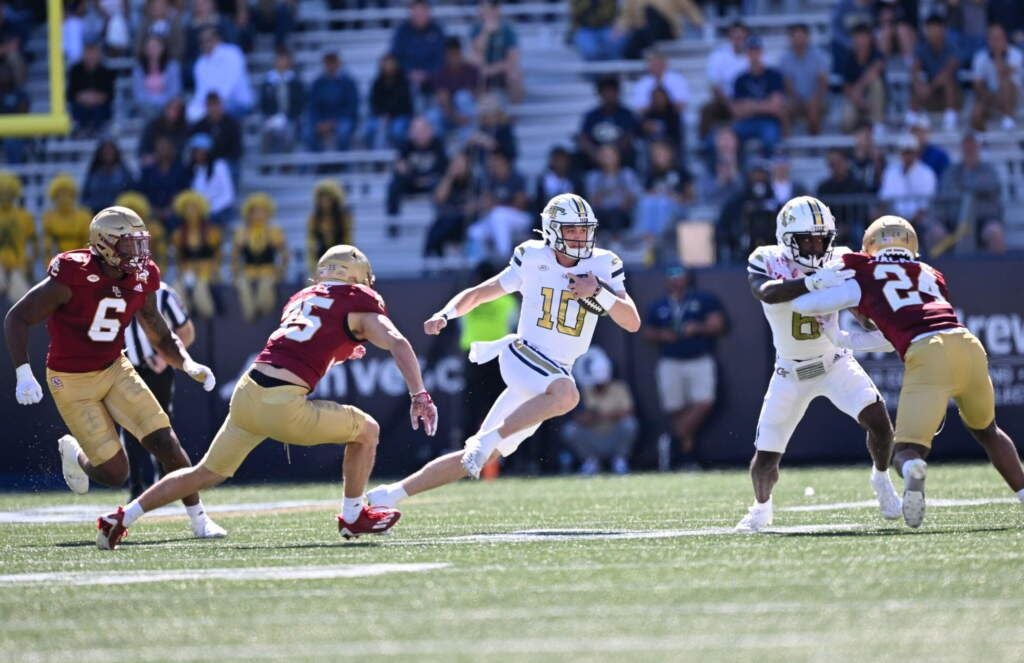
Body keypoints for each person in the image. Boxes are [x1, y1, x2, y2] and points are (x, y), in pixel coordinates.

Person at [95, 245, 437, 548]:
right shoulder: (358, 302)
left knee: (204, 473)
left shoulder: (302, 299)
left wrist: (339, 354)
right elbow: (398, 342)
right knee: (368, 431)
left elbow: (306, 346)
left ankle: (122, 517)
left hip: (248, 393)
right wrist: (418, 393)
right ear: (357, 276)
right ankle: (352, 516)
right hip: (283, 404)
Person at [366, 193, 640, 513]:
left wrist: (598, 292)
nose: (580, 238)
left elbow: (631, 321)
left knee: (477, 458)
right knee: (568, 394)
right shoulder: (532, 256)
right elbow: (483, 292)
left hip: (553, 372)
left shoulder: (604, 264)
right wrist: (447, 313)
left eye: (584, 230)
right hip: (523, 355)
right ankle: (489, 439)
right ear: (551, 230)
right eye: (572, 230)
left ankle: (390, 494)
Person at [4, 206, 224, 542]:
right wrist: (23, 372)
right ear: (105, 244)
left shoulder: (142, 275)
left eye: (141, 243)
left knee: (166, 441)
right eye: (129, 244)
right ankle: (76, 453)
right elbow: (17, 318)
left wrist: (186, 362)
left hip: (114, 366)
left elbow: (158, 331)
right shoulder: (72, 273)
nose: (139, 253)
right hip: (72, 379)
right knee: (115, 473)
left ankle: (199, 520)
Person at [792, 216, 1024, 528]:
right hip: (968, 344)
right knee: (988, 431)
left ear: (871, 244)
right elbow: (895, 333)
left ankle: (914, 468)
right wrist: (842, 337)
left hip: (927, 353)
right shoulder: (930, 272)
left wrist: (813, 291)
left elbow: (810, 304)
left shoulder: (862, 271)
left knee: (905, 449)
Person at [738, 196, 900, 532]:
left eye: (821, 239)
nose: (815, 247)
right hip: (790, 371)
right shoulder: (766, 258)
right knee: (765, 459)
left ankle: (881, 479)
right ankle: (761, 508)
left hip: (834, 361)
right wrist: (812, 283)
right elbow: (765, 292)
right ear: (786, 237)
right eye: (806, 240)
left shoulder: (839, 260)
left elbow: (863, 315)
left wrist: (877, 317)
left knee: (880, 423)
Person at [644, 265, 725, 467]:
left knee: (704, 401)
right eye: (671, 276)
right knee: (676, 408)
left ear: (688, 278)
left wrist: (698, 328)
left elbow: (718, 324)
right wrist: (663, 335)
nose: (676, 280)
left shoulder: (703, 299)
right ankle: (686, 456)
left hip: (699, 358)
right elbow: (646, 332)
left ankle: (671, 439)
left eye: (679, 276)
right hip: (671, 360)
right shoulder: (659, 304)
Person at [120, 280, 194, 500]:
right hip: (124, 368)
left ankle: (165, 480)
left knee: (160, 424)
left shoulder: (162, 293)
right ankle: (135, 486)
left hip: (157, 369)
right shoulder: (111, 290)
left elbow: (187, 331)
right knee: (129, 425)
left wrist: (164, 357)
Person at [458, 260, 518, 451]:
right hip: (499, 357)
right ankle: (504, 459)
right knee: (502, 408)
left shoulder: (468, 300)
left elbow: (460, 326)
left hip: (473, 356)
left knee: (471, 408)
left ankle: (464, 458)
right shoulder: (507, 301)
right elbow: (515, 327)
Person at [561, 347, 637, 475]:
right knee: (570, 430)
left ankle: (620, 460)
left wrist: (604, 416)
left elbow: (629, 413)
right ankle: (591, 461)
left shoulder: (620, 388)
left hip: (614, 435)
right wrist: (590, 417)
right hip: (593, 435)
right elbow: (579, 418)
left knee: (629, 425)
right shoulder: (585, 391)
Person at [936, 132, 1006, 254]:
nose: (969, 148)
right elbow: (944, 194)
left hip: (983, 221)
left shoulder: (989, 171)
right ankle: (939, 272)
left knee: (995, 232)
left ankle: (998, 272)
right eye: (966, 144)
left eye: (972, 145)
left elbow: (990, 186)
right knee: (935, 232)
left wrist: (966, 187)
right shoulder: (951, 171)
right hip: (953, 223)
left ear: (978, 147)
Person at [465, 150, 530, 261]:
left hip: (520, 218)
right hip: (497, 219)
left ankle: (503, 258)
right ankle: (479, 265)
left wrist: (496, 205)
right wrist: (479, 205)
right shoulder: (490, 180)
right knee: (474, 231)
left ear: (505, 163)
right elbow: (486, 204)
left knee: (498, 214)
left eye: (496, 162)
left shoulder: (516, 177)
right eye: (492, 162)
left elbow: (520, 205)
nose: (493, 165)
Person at [232, 192, 288, 322]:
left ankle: (263, 310)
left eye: (262, 212)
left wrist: (280, 271)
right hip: (248, 270)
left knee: (266, 285)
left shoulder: (274, 231)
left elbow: (284, 254)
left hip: (268, 269)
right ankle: (250, 314)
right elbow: (235, 256)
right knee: (242, 284)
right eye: (255, 212)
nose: (258, 215)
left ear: (268, 214)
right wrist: (235, 272)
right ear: (249, 214)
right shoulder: (242, 232)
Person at [731, 35, 785, 157]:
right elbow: (736, 111)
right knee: (729, 137)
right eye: (750, 51)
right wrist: (764, 104)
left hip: (768, 121)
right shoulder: (740, 79)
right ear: (746, 53)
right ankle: (739, 170)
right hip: (746, 121)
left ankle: (766, 171)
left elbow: (775, 107)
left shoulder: (773, 75)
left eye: (756, 51)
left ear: (761, 52)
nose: (754, 54)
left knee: (769, 138)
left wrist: (750, 105)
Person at [170, 190, 221, 318]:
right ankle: (183, 321)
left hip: (206, 270)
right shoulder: (178, 234)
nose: (190, 212)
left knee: (200, 289)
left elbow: (217, 254)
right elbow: (179, 257)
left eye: (193, 209)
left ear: (200, 211)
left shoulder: (211, 232)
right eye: (187, 209)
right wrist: (182, 272)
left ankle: (208, 317)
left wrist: (214, 271)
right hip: (188, 270)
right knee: (176, 290)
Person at [187, 26, 252, 123]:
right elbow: (201, 91)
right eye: (202, 41)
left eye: (208, 40)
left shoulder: (233, 53)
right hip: (211, 105)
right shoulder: (200, 64)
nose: (205, 44)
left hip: (237, 102)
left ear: (217, 39)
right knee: (190, 113)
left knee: (214, 115)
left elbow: (231, 84)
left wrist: (214, 105)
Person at [386, 117, 448, 217]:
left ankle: (442, 219)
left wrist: (425, 179)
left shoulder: (438, 144)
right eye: (417, 131)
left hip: (431, 182)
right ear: (411, 132)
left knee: (442, 185)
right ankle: (393, 224)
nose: (421, 134)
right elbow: (401, 168)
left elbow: (442, 167)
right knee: (394, 186)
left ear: (430, 131)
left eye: (424, 130)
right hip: (411, 182)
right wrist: (416, 178)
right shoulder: (405, 145)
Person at [909, 13, 961, 131]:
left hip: (952, 95)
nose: (933, 33)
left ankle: (950, 120)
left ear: (943, 30)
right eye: (930, 29)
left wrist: (930, 88)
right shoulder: (922, 48)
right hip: (930, 95)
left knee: (948, 81)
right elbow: (915, 68)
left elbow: (948, 71)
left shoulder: (952, 47)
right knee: (916, 82)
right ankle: (911, 119)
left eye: (936, 29)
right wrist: (918, 83)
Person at [698, 20, 749, 139]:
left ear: (746, 36)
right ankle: (705, 145)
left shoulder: (751, 55)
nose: (738, 39)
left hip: (746, 101)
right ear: (729, 36)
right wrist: (729, 104)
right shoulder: (718, 56)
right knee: (706, 110)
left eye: (741, 36)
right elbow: (714, 84)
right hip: (723, 101)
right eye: (734, 35)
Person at [424, 151, 479, 259]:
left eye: (461, 163)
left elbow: (479, 202)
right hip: (448, 217)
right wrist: (450, 176)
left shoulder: (474, 181)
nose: (458, 166)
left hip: (466, 219)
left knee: (443, 228)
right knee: (437, 228)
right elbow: (439, 198)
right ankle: (430, 257)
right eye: (455, 163)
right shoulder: (446, 180)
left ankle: (431, 255)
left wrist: (472, 206)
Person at [578, 76, 641, 170]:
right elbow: (583, 138)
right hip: (596, 156)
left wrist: (612, 154)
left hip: (621, 157)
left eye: (612, 91)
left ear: (618, 93)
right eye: (605, 91)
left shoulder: (627, 114)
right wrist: (595, 153)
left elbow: (630, 136)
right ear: (599, 94)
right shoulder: (591, 116)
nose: (609, 95)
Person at [879, 133, 937, 233]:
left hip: (921, 222)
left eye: (909, 152)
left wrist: (910, 224)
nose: (907, 156)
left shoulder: (927, 173)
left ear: (916, 152)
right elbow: (884, 199)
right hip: (893, 222)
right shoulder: (890, 172)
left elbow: (926, 205)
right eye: (904, 152)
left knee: (936, 232)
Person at [970, 23, 1022, 131]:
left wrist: (998, 56)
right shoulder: (980, 57)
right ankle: (982, 139)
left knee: (1006, 84)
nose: (997, 41)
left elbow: (1004, 75)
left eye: (1000, 38)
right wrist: (990, 97)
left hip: (1014, 97)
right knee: (976, 111)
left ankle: (1008, 119)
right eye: (993, 38)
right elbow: (977, 84)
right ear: (988, 40)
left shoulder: (1016, 55)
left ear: (1005, 38)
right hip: (991, 96)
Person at [468, 1, 523, 102]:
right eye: (482, 8)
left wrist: (491, 69)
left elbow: (513, 59)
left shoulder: (507, 29)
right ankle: (481, 110)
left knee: (515, 75)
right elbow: (474, 54)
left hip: (501, 70)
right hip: (482, 72)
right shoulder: (476, 28)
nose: (483, 12)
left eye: (487, 9)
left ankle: (513, 113)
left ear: (496, 10)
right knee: (473, 75)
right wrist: (486, 33)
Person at [779, 23, 828, 135]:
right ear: (790, 38)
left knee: (813, 107)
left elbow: (823, 83)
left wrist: (814, 99)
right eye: (795, 36)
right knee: (782, 109)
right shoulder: (784, 59)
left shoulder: (818, 56)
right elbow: (787, 84)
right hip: (795, 100)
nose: (798, 40)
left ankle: (815, 143)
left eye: (801, 36)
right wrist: (797, 99)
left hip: (817, 99)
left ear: (808, 37)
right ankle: (786, 147)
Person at [306, 51, 359, 152]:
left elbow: (351, 107)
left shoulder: (348, 82)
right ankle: (320, 164)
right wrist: (318, 122)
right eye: (328, 63)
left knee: (344, 131)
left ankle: (341, 164)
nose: (330, 65)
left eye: (333, 62)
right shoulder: (317, 83)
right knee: (308, 133)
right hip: (322, 120)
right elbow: (313, 106)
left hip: (342, 119)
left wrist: (333, 122)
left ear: (339, 63)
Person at [585, 144, 641, 238]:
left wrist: (624, 204)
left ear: (617, 156)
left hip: (622, 212)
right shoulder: (593, 176)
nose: (607, 158)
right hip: (601, 212)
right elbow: (593, 200)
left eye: (610, 155)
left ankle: (617, 243)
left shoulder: (626, 174)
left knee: (616, 215)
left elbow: (633, 196)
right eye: (604, 155)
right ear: (598, 158)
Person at [817, 148, 870, 246]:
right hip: (832, 226)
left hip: (853, 225)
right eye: (832, 163)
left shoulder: (858, 185)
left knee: (858, 231)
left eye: (838, 162)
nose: (835, 166)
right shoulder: (823, 187)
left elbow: (862, 211)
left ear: (846, 162)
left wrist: (846, 227)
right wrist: (835, 226)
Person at [389, 0, 445, 93]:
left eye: (422, 11)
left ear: (428, 12)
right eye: (416, 12)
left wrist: (427, 73)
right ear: (410, 12)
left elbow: (441, 56)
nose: (419, 15)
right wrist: (409, 72)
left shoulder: (437, 30)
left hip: (433, 78)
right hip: (405, 79)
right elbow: (396, 55)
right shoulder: (402, 31)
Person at [840, 23, 886, 133]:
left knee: (876, 83)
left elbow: (874, 71)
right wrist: (857, 99)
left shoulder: (877, 54)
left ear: (870, 38)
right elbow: (846, 87)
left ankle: (877, 124)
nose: (861, 40)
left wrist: (858, 89)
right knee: (846, 121)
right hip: (856, 99)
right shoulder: (849, 57)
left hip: (874, 99)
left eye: (863, 36)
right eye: (857, 37)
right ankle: (859, 137)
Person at [259, 47, 305, 153]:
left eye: (284, 59)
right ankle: (266, 166)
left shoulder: (296, 82)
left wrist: (287, 117)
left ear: (289, 61)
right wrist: (272, 117)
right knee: (265, 133)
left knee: (289, 132)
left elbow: (300, 103)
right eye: (279, 59)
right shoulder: (268, 82)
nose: (281, 62)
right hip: (272, 118)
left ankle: (286, 166)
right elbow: (263, 104)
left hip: (290, 118)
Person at [433, 37, 480, 140]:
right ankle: (439, 148)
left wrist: (466, 115)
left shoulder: (471, 70)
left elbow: (477, 96)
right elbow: (442, 99)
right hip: (450, 113)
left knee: (462, 97)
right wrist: (455, 116)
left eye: (456, 53)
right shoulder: (441, 73)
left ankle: (468, 141)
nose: (453, 57)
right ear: (445, 55)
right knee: (432, 116)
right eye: (450, 54)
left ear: (460, 53)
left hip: (470, 114)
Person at [189, 92, 243, 180]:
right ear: (206, 106)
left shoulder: (232, 125)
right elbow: (194, 149)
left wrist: (221, 163)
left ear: (221, 105)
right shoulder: (199, 126)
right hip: (204, 163)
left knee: (231, 168)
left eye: (216, 104)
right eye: (211, 105)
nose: (214, 108)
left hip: (226, 163)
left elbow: (237, 150)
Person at [364, 53, 412, 150]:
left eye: (391, 64)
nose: (388, 67)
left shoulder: (403, 82)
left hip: (400, 115)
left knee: (397, 130)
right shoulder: (377, 83)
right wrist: (382, 115)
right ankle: (376, 158)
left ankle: (400, 154)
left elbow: (405, 104)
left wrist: (390, 115)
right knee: (367, 129)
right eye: (386, 64)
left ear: (396, 65)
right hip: (381, 116)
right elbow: (373, 103)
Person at [67, 40, 115, 136]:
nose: (91, 56)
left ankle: (96, 133)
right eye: (88, 52)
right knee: (78, 110)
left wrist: (96, 98)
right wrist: (82, 97)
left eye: (93, 52)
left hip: (100, 106)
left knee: (100, 110)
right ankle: (82, 132)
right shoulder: (75, 71)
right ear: (83, 54)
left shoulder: (105, 71)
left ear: (99, 54)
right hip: (81, 106)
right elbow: (70, 94)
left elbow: (110, 94)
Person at [186, 132, 235, 226]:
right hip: (199, 210)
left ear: (207, 152)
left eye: (199, 151)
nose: (197, 154)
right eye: (194, 151)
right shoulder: (193, 169)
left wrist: (210, 209)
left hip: (218, 210)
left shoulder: (220, 166)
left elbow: (228, 195)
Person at [0, 170, 35, 302]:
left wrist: (29, 265)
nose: (5, 196)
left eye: (8, 193)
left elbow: (32, 243)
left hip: (18, 266)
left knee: (23, 301)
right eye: (2, 192)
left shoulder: (24, 217)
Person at [138, 136, 188, 228]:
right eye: (160, 148)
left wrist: (171, 209)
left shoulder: (181, 170)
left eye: (166, 148)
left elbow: (184, 191)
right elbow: (142, 192)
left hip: (174, 212)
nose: (163, 151)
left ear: (171, 149)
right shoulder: (148, 171)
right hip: (152, 211)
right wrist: (153, 209)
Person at [306, 180, 353, 275]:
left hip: (340, 263)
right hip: (320, 262)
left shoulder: (343, 219)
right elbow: (311, 244)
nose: (325, 202)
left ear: (335, 200)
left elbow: (348, 242)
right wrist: (312, 264)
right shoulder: (314, 220)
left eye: (328, 199)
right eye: (322, 199)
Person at [628, 48, 689, 118]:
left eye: (658, 63)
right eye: (653, 64)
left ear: (665, 64)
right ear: (648, 66)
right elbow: (640, 108)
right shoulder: (641, 83)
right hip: (650, 119)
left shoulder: (677, 79)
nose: (656, 66)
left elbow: (681, 104)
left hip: (672, 119)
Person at [114, 191, 168, 271]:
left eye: (134, 211)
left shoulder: (154, 229)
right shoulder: (116, 231)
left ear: (141, 212)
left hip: (149, 269)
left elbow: (161, 254)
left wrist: (159, 269)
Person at [132, 34, 182, 118]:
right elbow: (138, 93)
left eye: (155, 47)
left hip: (167, 105)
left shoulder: (172, 66)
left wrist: (161, 102)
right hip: (146, 107)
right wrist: (151, 103)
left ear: (162, 48)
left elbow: (175, 90)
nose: (152, 50)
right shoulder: (139, 69)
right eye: (149, 48)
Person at [81, 139, 137, 213]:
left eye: (110, 150)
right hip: (96, 215)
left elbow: (132, 195)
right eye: (105, 151)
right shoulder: (93, 176)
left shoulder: (125, 175)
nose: (108, 153)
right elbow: (85, 199)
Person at [42, 175, 92, 257]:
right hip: (59, 260)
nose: (63, 197)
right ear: (54, 197)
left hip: (79, 259)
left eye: (67, 193)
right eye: (59, 195)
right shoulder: (49, 218)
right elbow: (48, 246)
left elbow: (87, 242)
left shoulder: (84, 217)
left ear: (73, 195)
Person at [138, 98, 188, 168]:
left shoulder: (185, 128)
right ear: (166, 109)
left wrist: (165, 155)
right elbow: (143, 149)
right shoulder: (153, 125)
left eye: (178, 109)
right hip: (154, 162)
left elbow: (181, 149)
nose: (175, 112)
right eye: (172, 109)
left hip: (175, 163)